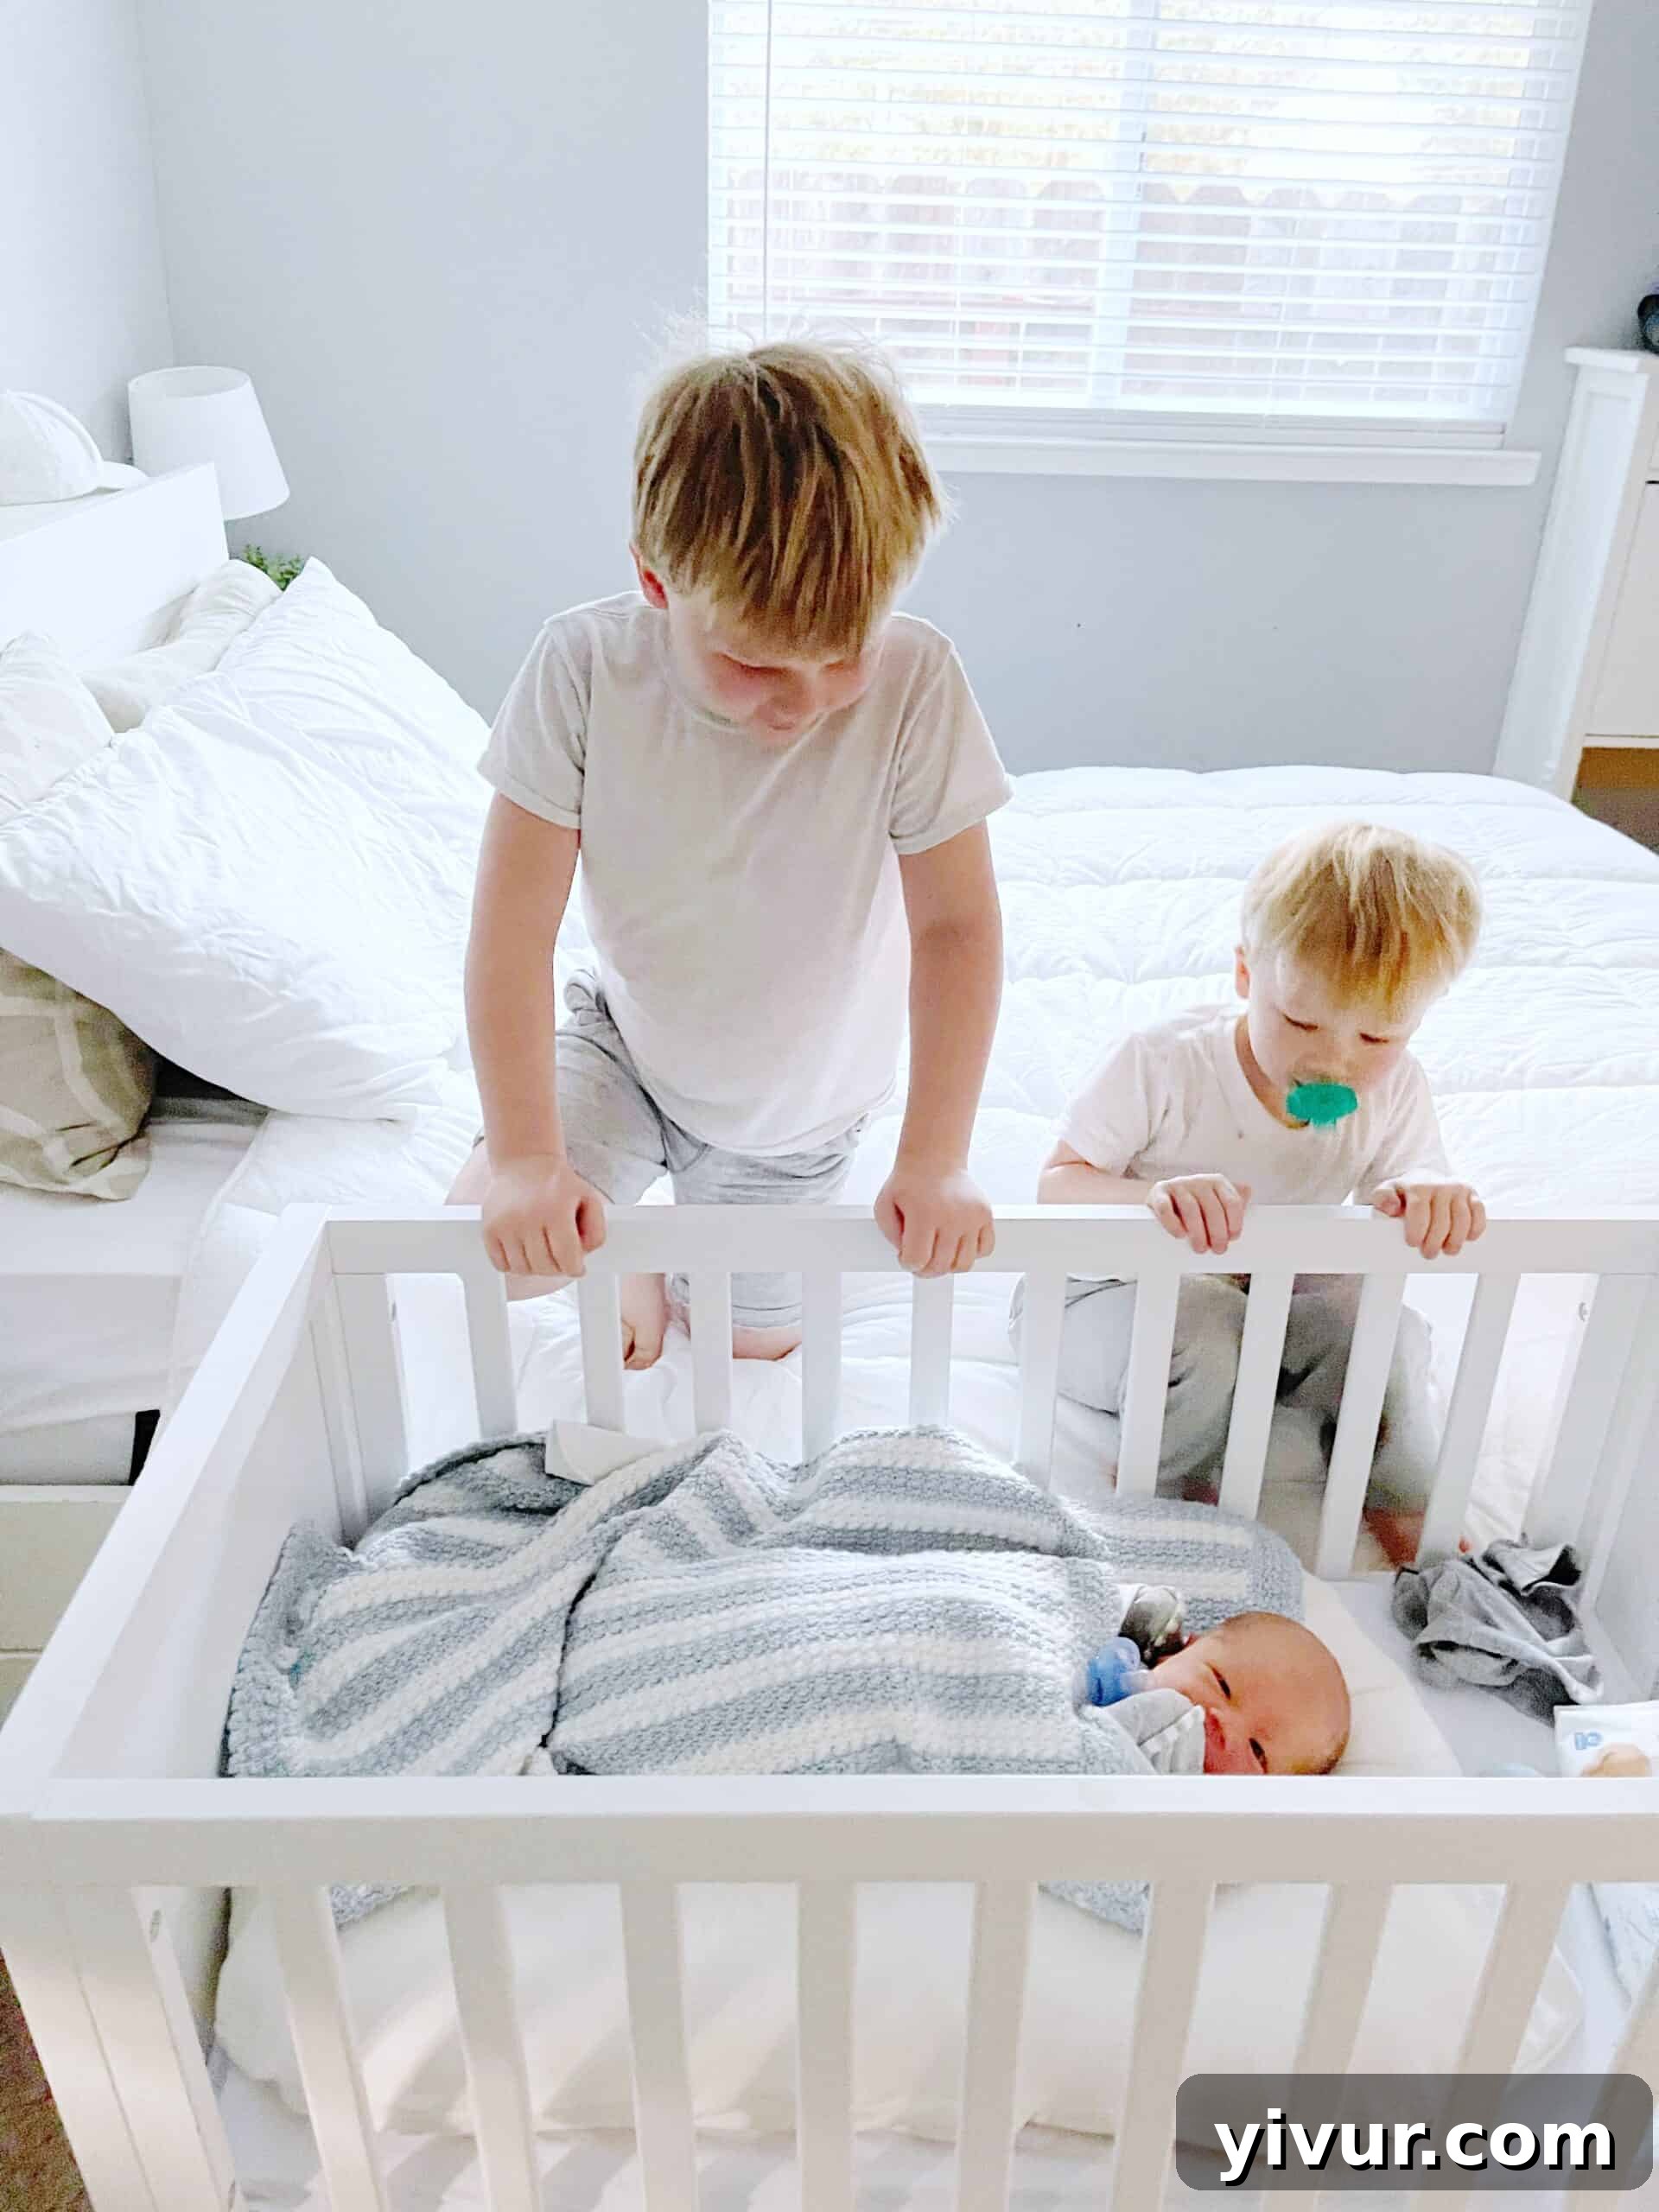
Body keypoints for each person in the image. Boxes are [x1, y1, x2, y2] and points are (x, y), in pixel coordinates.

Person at [451, 340, 1011, 1365]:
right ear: (655, 582)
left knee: (751, 1352)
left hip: (796, 1113)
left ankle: (667, 1270)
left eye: (845, 653)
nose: (803, 701)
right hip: (629, 1047)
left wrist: (935, 1156)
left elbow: (957, 927)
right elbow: (510, 937)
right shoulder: (582, 671)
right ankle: (627, 1264)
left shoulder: (917, 682)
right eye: (754, 662)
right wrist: (529, 1159)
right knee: (499, 1237)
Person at [1027, 822, 1484, 1567]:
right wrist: (1150, 1197)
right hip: (1097, 1302)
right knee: (1208, 1322)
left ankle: (1400, 1494)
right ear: (1246, 976)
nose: (1334, 1059)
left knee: (1380, 1328)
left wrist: (1430, 1193)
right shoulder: (1164, 1063)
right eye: (1301, 1020)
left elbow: (1407, 1185)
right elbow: (1055, 1187)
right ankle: (1161, 1495)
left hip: (1268, 1310)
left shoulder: (1394, 1092)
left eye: (1378, 1038)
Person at [1149, 1611, 1351, 1775]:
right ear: (1183, 1649)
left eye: (1256, 1750)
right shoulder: (1120, 1658)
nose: (1224, 1725)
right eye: (1222, 1686)